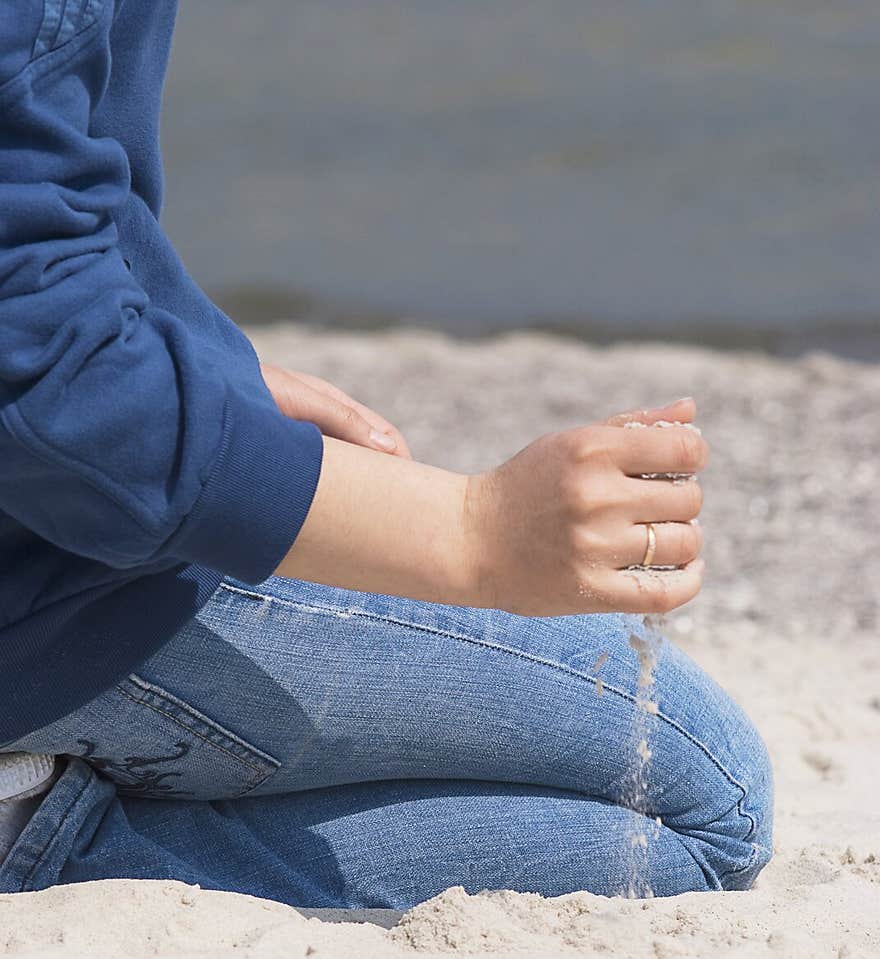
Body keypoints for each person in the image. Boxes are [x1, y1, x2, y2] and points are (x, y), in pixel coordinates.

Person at [0, 1, 772, 907]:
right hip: (47, 573)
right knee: (713, 804)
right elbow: (46, 366)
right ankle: (48, 837)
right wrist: (474, 531)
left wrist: (177, 358)